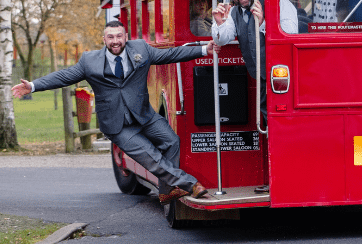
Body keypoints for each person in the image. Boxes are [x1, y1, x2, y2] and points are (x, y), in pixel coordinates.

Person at [12, 21, 214, 205]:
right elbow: (65, 76)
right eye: (111, 37)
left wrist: (204, 49)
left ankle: (166, 191)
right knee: (151, 156)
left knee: (172, 141)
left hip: (145, 116)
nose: (115, 41)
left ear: (125, 37)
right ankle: (191, 185)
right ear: (104, 40)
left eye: (119, 36)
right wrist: (32, 85)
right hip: (118, 125)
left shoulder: (141, 49)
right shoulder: (89, 61)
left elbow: (170, 55)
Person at [211, 0, 298, 194]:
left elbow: (291, 34)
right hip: (261, 78)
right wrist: (219, 24)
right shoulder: (235, 12)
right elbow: (223, 38)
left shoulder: (279, 4)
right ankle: (277, 179)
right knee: (269, 124)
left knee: (283, 125)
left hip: (285, 79)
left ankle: (286, 179)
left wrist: (263, 23)